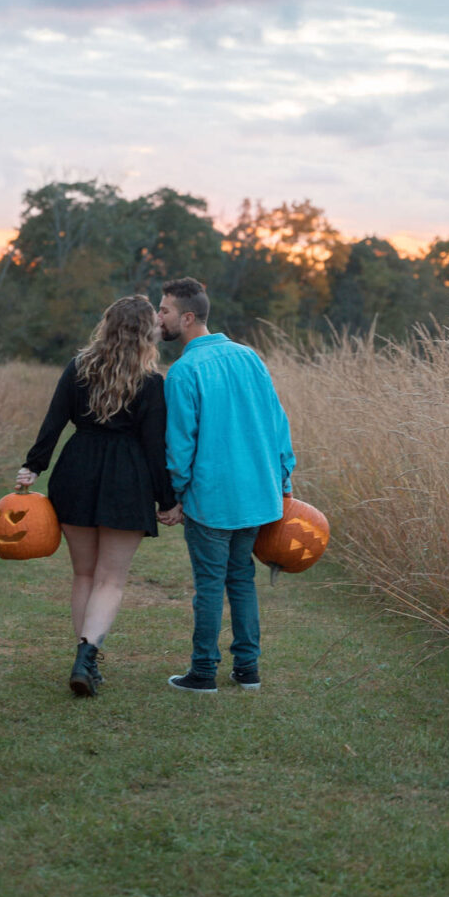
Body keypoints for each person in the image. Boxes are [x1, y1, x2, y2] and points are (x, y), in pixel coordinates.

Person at [16, 295, 176, 698]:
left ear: (107, 326)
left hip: (77, 472)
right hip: (127, 477)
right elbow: (156, 447)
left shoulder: (79, 367)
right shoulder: (152, 382)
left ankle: (84, 657)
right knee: (111, 580)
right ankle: (87, 657)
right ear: (145, 333)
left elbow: (53, 421)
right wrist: (167, 499)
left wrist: (34, 466)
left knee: (84, 574)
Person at [157, 277, 295, 694]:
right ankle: (247, 670)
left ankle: (203, 672)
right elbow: (278, 423)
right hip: (256, 493)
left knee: (210, 586)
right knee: (241, 580)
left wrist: (175, 495)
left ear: (187, 317)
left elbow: (180, 444)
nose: (157, 317)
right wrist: (284, 477)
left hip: (213, 499)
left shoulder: (183, 371)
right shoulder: (250, 357)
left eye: (162, 310)